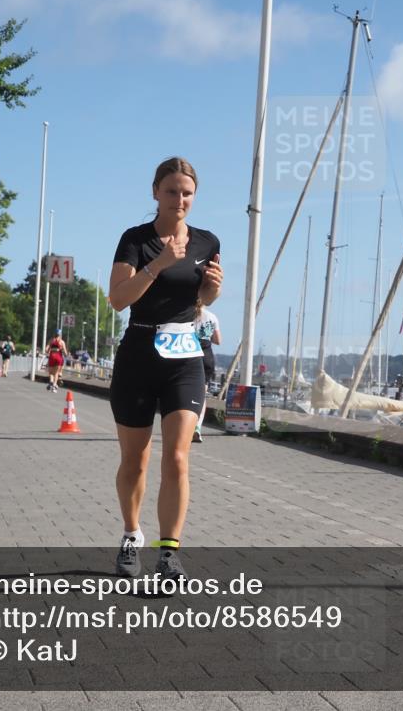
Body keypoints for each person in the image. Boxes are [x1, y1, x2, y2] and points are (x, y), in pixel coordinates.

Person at [107, 157, 222, 581]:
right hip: (138, 354)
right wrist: (158, 264)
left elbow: (200, 300)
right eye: (171, 191)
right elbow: (118, 299)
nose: (179, 199)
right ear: (155, 192)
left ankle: (169, 552)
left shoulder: (207, 242)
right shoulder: (135, 240)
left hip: (184, 357)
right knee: (135, 461)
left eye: (187, 193)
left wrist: (211, 291)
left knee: (177, 457)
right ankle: (131, 534)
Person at [192, 299, 221, 443]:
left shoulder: (187, 314)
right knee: (201, 395)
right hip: (206, 356)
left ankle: (184, 426)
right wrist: (206, 333)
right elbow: (218, 340)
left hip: (190, 353)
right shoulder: (212, 317)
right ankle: (197, 427)